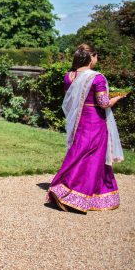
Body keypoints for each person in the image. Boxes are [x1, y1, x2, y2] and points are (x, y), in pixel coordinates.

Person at [46, 44, 125, 212]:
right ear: (91, 57)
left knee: (78, 154)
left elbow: (72, 99)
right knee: (94, 157)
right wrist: (117, 97)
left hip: (78, 122)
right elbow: (103, 103)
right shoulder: (97, 78)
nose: (97, 60)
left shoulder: (69, 76)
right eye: (96, 57)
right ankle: (74, 194)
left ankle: (64, 189)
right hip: (95, 122)